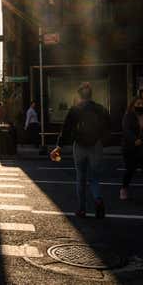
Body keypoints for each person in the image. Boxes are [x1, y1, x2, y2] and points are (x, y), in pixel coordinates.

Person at [51, 82, 111, 219]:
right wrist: (102, 140)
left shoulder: (75, 109)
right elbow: (108, 125)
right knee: (94, 178)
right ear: (91, 94)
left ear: (79, 95)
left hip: (79, 146)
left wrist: (59, 146)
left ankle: (81, 209)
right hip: (95, 145)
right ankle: (98, 199)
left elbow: (66, 128)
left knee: (80, 178)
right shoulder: (100, 108)